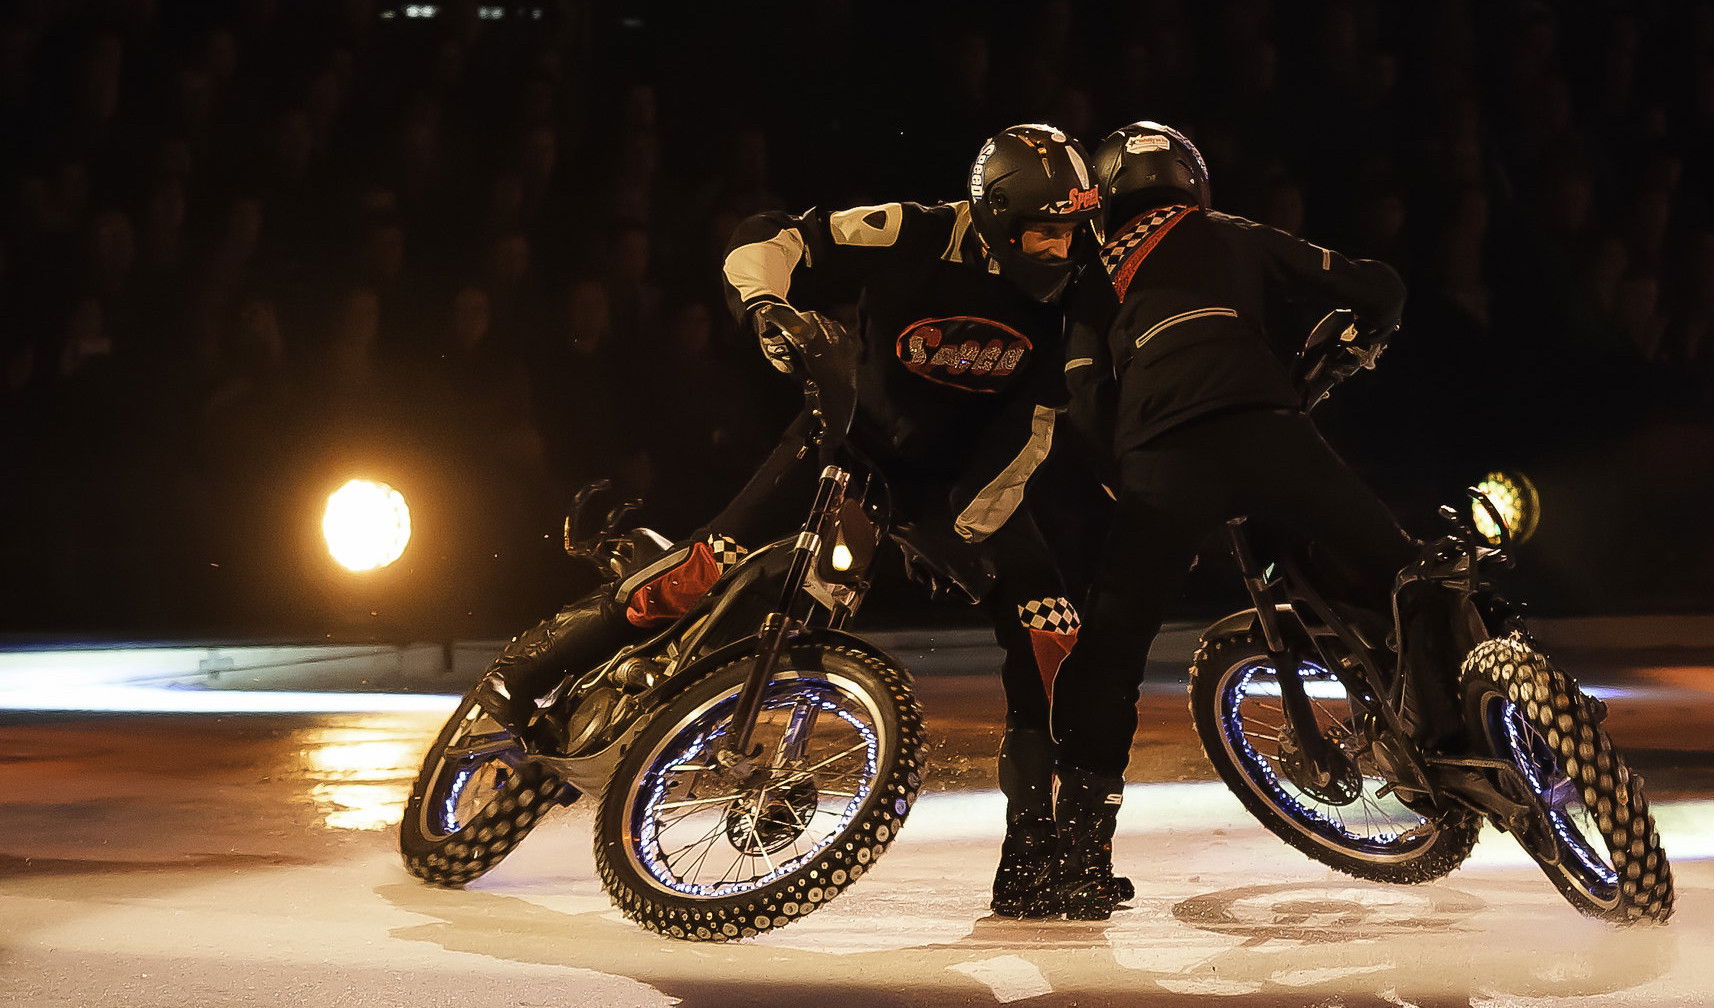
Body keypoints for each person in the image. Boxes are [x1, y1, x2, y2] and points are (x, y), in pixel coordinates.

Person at [480, 123, 1109, 919]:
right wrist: (766, 308)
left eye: (1074, 229)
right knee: (700, 570)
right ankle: (517, 681)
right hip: (846, 444)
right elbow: (773, 236)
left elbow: (1046, 426)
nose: (1064, 248)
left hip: (965, 488)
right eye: (1046, 232)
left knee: (1051, 635)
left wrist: (968, 532)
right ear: (996, 218)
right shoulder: (916, 230)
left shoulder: (1082, 285)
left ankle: (1032, 854)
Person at [1051, 122, 1414, 918]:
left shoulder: (1094, 274)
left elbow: (1082, 396)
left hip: (1162, 453)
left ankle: (1077, 856)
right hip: (1267, 426)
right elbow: (1377, 286)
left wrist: (1127, 483)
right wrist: (1349, 351)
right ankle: (1458, 715)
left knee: (1111, 652)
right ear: (1191, 182)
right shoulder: (1227, 230)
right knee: (1403, 570)